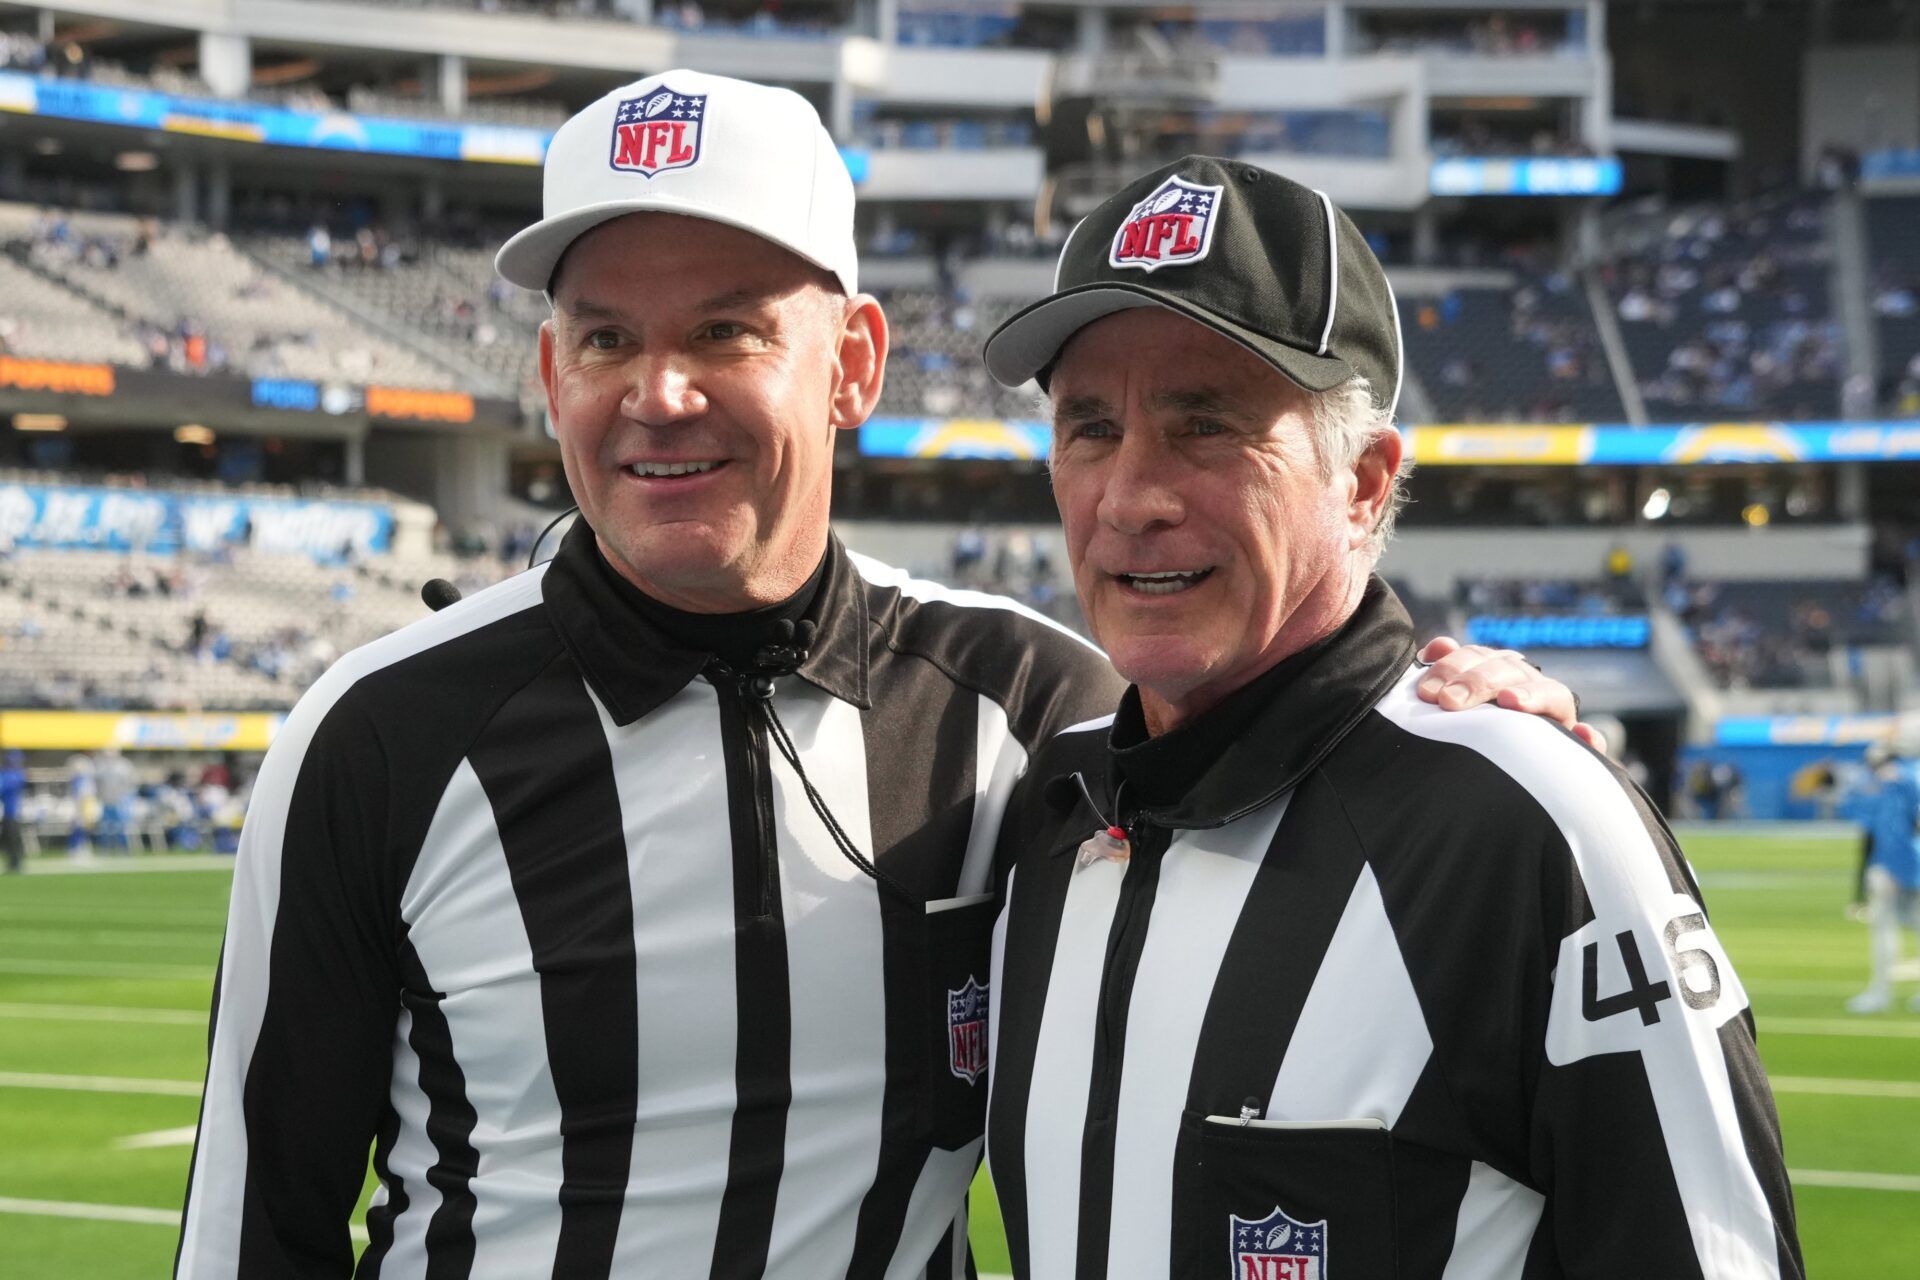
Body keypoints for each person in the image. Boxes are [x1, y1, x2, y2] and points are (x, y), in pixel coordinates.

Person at [175, 80, 1588, 1278]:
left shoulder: (1032, 707)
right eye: (607, 337)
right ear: (551, 374)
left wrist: (1475, 725)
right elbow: (257, 1229)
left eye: (726, 330)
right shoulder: (378, 738)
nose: (657, 394)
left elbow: (1298, 754)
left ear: (852, 364)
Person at [979, 157, 1801, 1279]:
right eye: (1087, 428)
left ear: (1364, 482)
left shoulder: (1529, 828)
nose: (1131, 496)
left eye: (1206, 422)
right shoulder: (1049, 803)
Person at [1845, 741, 1920, 1014]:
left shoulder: (1880, 782)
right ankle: (1880, 992)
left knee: (1885, 926)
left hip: (1892, 859)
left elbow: (1868, 828)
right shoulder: (1910, 775)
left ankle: (1880, 992)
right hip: (1906, 858)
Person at [0, 750, 25, 873]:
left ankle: (15, 862)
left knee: (12, 838)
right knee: (11, 838)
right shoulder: (16, 774)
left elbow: (2, 790)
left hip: (11, 812)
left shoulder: (10, 775)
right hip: (11, 812)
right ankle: (14, 861)